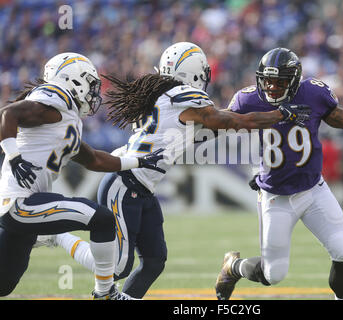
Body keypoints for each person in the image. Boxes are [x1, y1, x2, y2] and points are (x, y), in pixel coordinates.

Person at [35, 42, 312, 299]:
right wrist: (279, 114)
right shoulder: (182, 96)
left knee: (155, 260)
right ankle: (58, 236)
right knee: (116, 267)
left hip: (142, 187)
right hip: (126, 183)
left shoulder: (166, 98)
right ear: (193, 74)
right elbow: (233, 121)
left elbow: (207, 131)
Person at [214, 47, 343, 300]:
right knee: (273, 274)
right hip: (276, 197)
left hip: (313, 190)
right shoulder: (248, 99)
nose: (272, 87)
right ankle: (232, 266)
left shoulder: (313, 93)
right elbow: (222, 123)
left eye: (279, 82)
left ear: (295, 79)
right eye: (267, 80)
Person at [0, 52, 167, 300]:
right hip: (19, 204)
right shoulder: (57, 97)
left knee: (4, 285)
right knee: (101, 219)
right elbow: (8, 114)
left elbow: (95, 159)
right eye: (90, 83)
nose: (93, 92)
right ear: (71, 79)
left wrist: (139, 160)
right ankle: (106, 293)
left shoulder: (66, 119)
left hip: (25, 214)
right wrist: (13, 156)